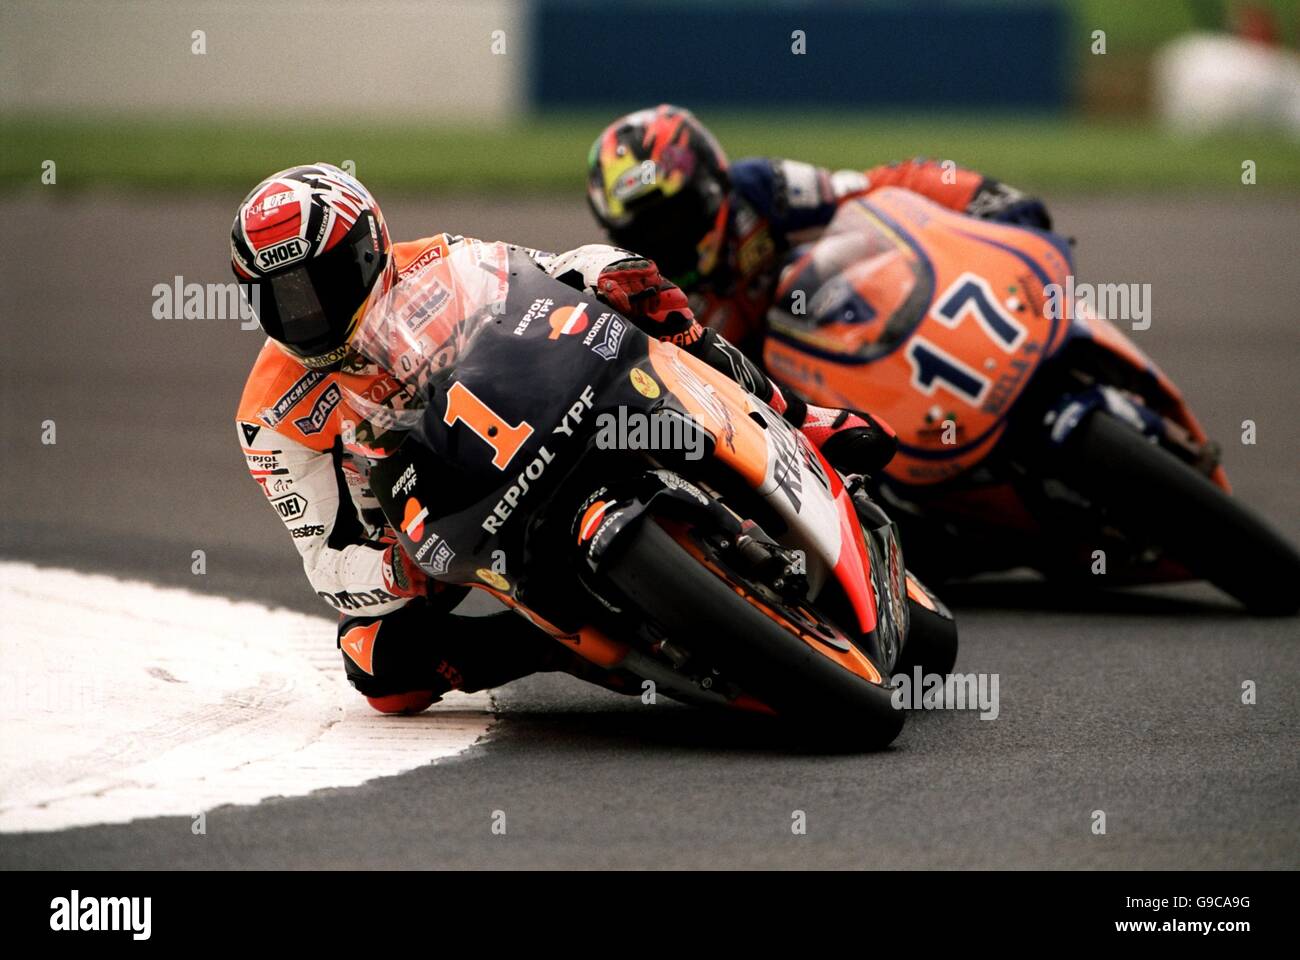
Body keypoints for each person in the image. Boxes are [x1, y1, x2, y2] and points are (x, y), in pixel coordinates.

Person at [232, 163, 899, 714]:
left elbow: (553, 272)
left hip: (543, 412)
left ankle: (794, 415)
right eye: (285, 298)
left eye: (324, 284)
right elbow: (323, 559)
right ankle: (554, 643)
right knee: (378, 672)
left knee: (644, 297)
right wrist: (392, 570)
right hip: (434, 524)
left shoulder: (439, 262)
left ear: (371, 247)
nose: (309, 313)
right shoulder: (268, 415)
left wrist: (609, 270)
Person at [585, 103, 1053, 348]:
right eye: (647, 231)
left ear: (712, 184)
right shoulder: (634, 300)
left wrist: (981, 199)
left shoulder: (759, 189)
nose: (667, 238)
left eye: (676, 216)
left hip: (855, 336)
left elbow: (881, 188)